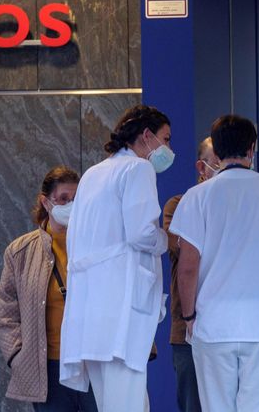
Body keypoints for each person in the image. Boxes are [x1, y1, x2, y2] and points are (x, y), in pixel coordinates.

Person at [59, 104, 172, 412]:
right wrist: (167, 239)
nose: (168, 148)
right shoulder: (138, 168)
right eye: (165, 138)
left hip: (91, 315)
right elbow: (141, 233)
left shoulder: (94, 174)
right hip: (122, 311)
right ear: (146, 136)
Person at [171, 115, 259, 412]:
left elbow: (187, 267)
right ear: (252, 149)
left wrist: (189, 315)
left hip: (212, 325)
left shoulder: (196, 197)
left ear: (217, 153)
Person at [0, 166, 98, 412]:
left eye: (76, 199)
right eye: (63, 199)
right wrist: (16, 355)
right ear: (46, 202)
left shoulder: (97, 244)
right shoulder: (20, 251)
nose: (71, 205)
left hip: (92, 363)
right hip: (48, 369)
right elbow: (5, 309)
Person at [162, 137, 219, 412]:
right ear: (202, 166)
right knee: (192, 404)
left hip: (227, 328)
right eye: (217, 161)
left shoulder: (236, 204)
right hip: (187, 330)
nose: (224, 167)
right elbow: (182, 247)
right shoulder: (178, 205)